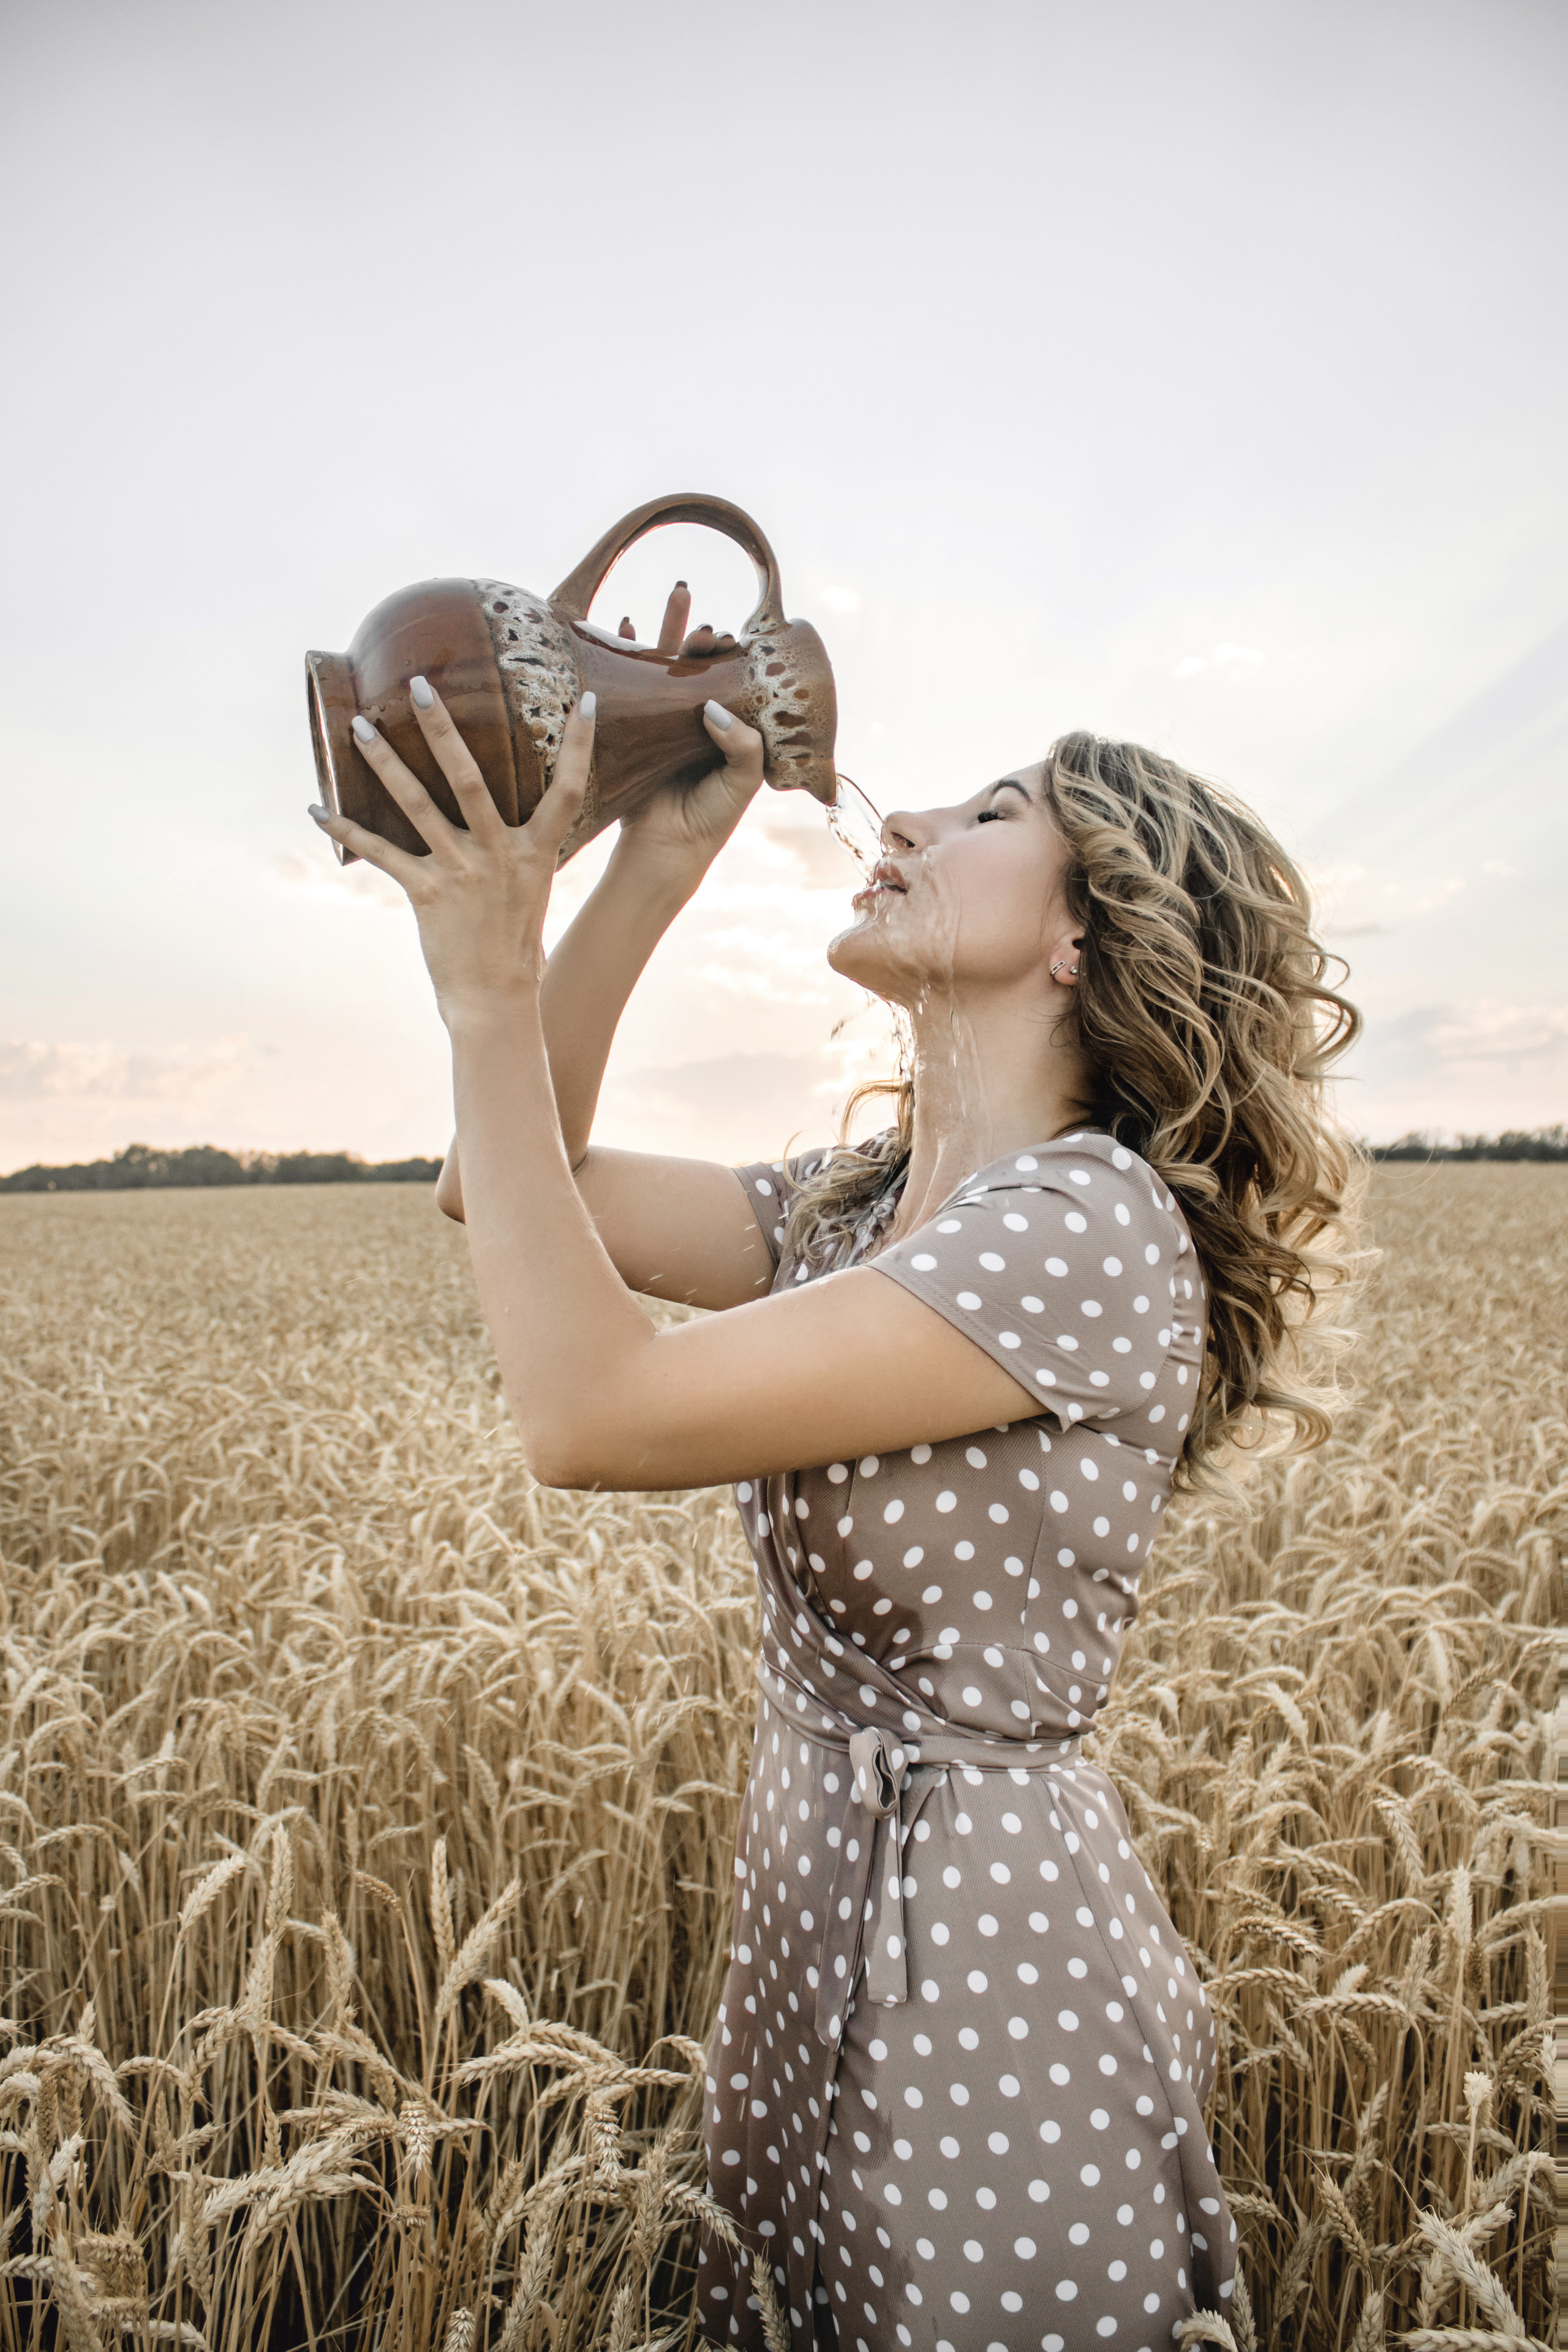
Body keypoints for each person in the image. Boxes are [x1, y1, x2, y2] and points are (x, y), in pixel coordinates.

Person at [307, 587, 1359, 2352]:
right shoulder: (860, 1209)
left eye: (994, 811)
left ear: (1086, 934)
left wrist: (489, 976)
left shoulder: (1088, 1222)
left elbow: (592, 1416)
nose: (913, 817)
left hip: (987, 1984)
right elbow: (503, 1180)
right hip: (810, 1930)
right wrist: (655, 861)